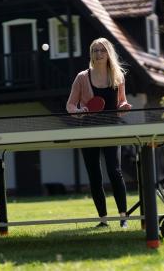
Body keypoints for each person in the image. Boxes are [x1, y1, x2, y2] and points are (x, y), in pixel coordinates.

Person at [66, 38, 132, 228]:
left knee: (115, 171)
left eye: (102, 50)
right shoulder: (82, 77)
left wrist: (124, 106)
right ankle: (103, 220)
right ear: (91, 54)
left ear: (108, 53)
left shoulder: (118, 77)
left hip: (112, 128)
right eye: (94, 50)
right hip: (88, 130)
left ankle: (123, 218)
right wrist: (77, 111)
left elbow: (120, 103)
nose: (98, 54)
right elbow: (70, 104)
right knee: (94, 175)